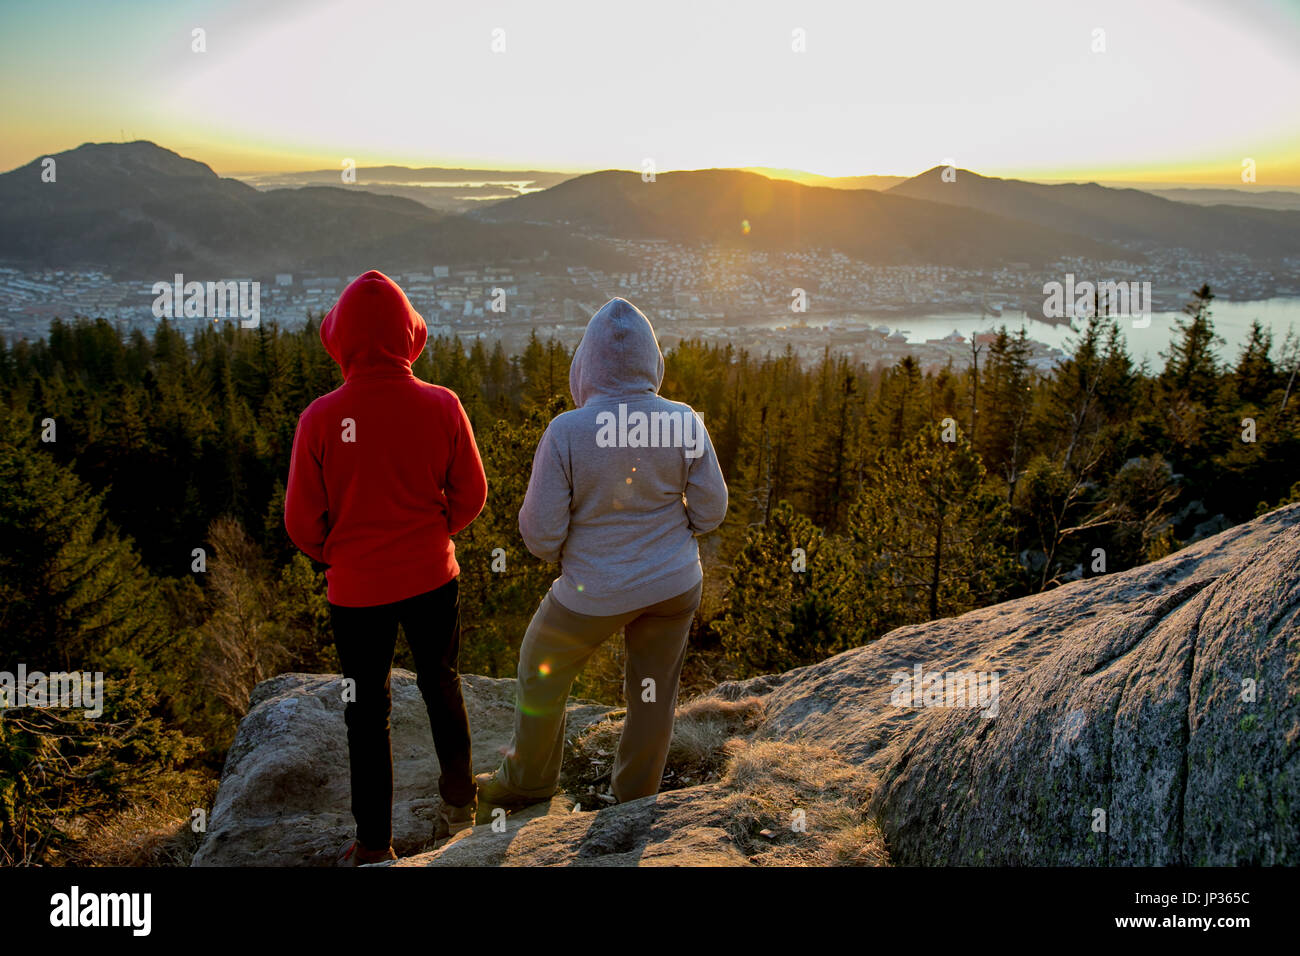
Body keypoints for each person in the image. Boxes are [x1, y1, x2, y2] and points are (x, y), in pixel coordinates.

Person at [476, 297, 728, 809]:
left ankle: (528, 783)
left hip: (593, 592)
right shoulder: (683, 421)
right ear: (652, 361)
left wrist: (580, 548)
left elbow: (541, 535)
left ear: (586, 365)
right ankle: (634, 799)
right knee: (653, 692)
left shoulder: (566, 432)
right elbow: (712, 510)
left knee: (542, 663)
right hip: (673, 585)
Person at [284, 269, 487, 866]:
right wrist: (429, 534)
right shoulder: (442, 405)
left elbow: (302, 522)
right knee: (441, 683)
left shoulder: (321, 419)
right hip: (431, 576)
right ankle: (460, 805)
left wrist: (344, 555)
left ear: (340, 339)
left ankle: (374, 846)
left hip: (356, 592)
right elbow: (471, 494)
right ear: (408, 336)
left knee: (366, 713)